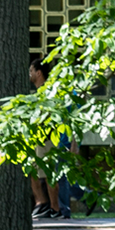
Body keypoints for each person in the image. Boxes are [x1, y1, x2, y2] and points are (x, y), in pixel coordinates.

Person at [28, 56, 76, 220]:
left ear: (39, 73)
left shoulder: (52, 92)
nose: (29, 74)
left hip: (53, 139)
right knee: (45, 174)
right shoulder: (44, 92)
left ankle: (58, 209)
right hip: (46, 140)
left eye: (31, 71)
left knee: (54, 175)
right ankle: (46, 206)